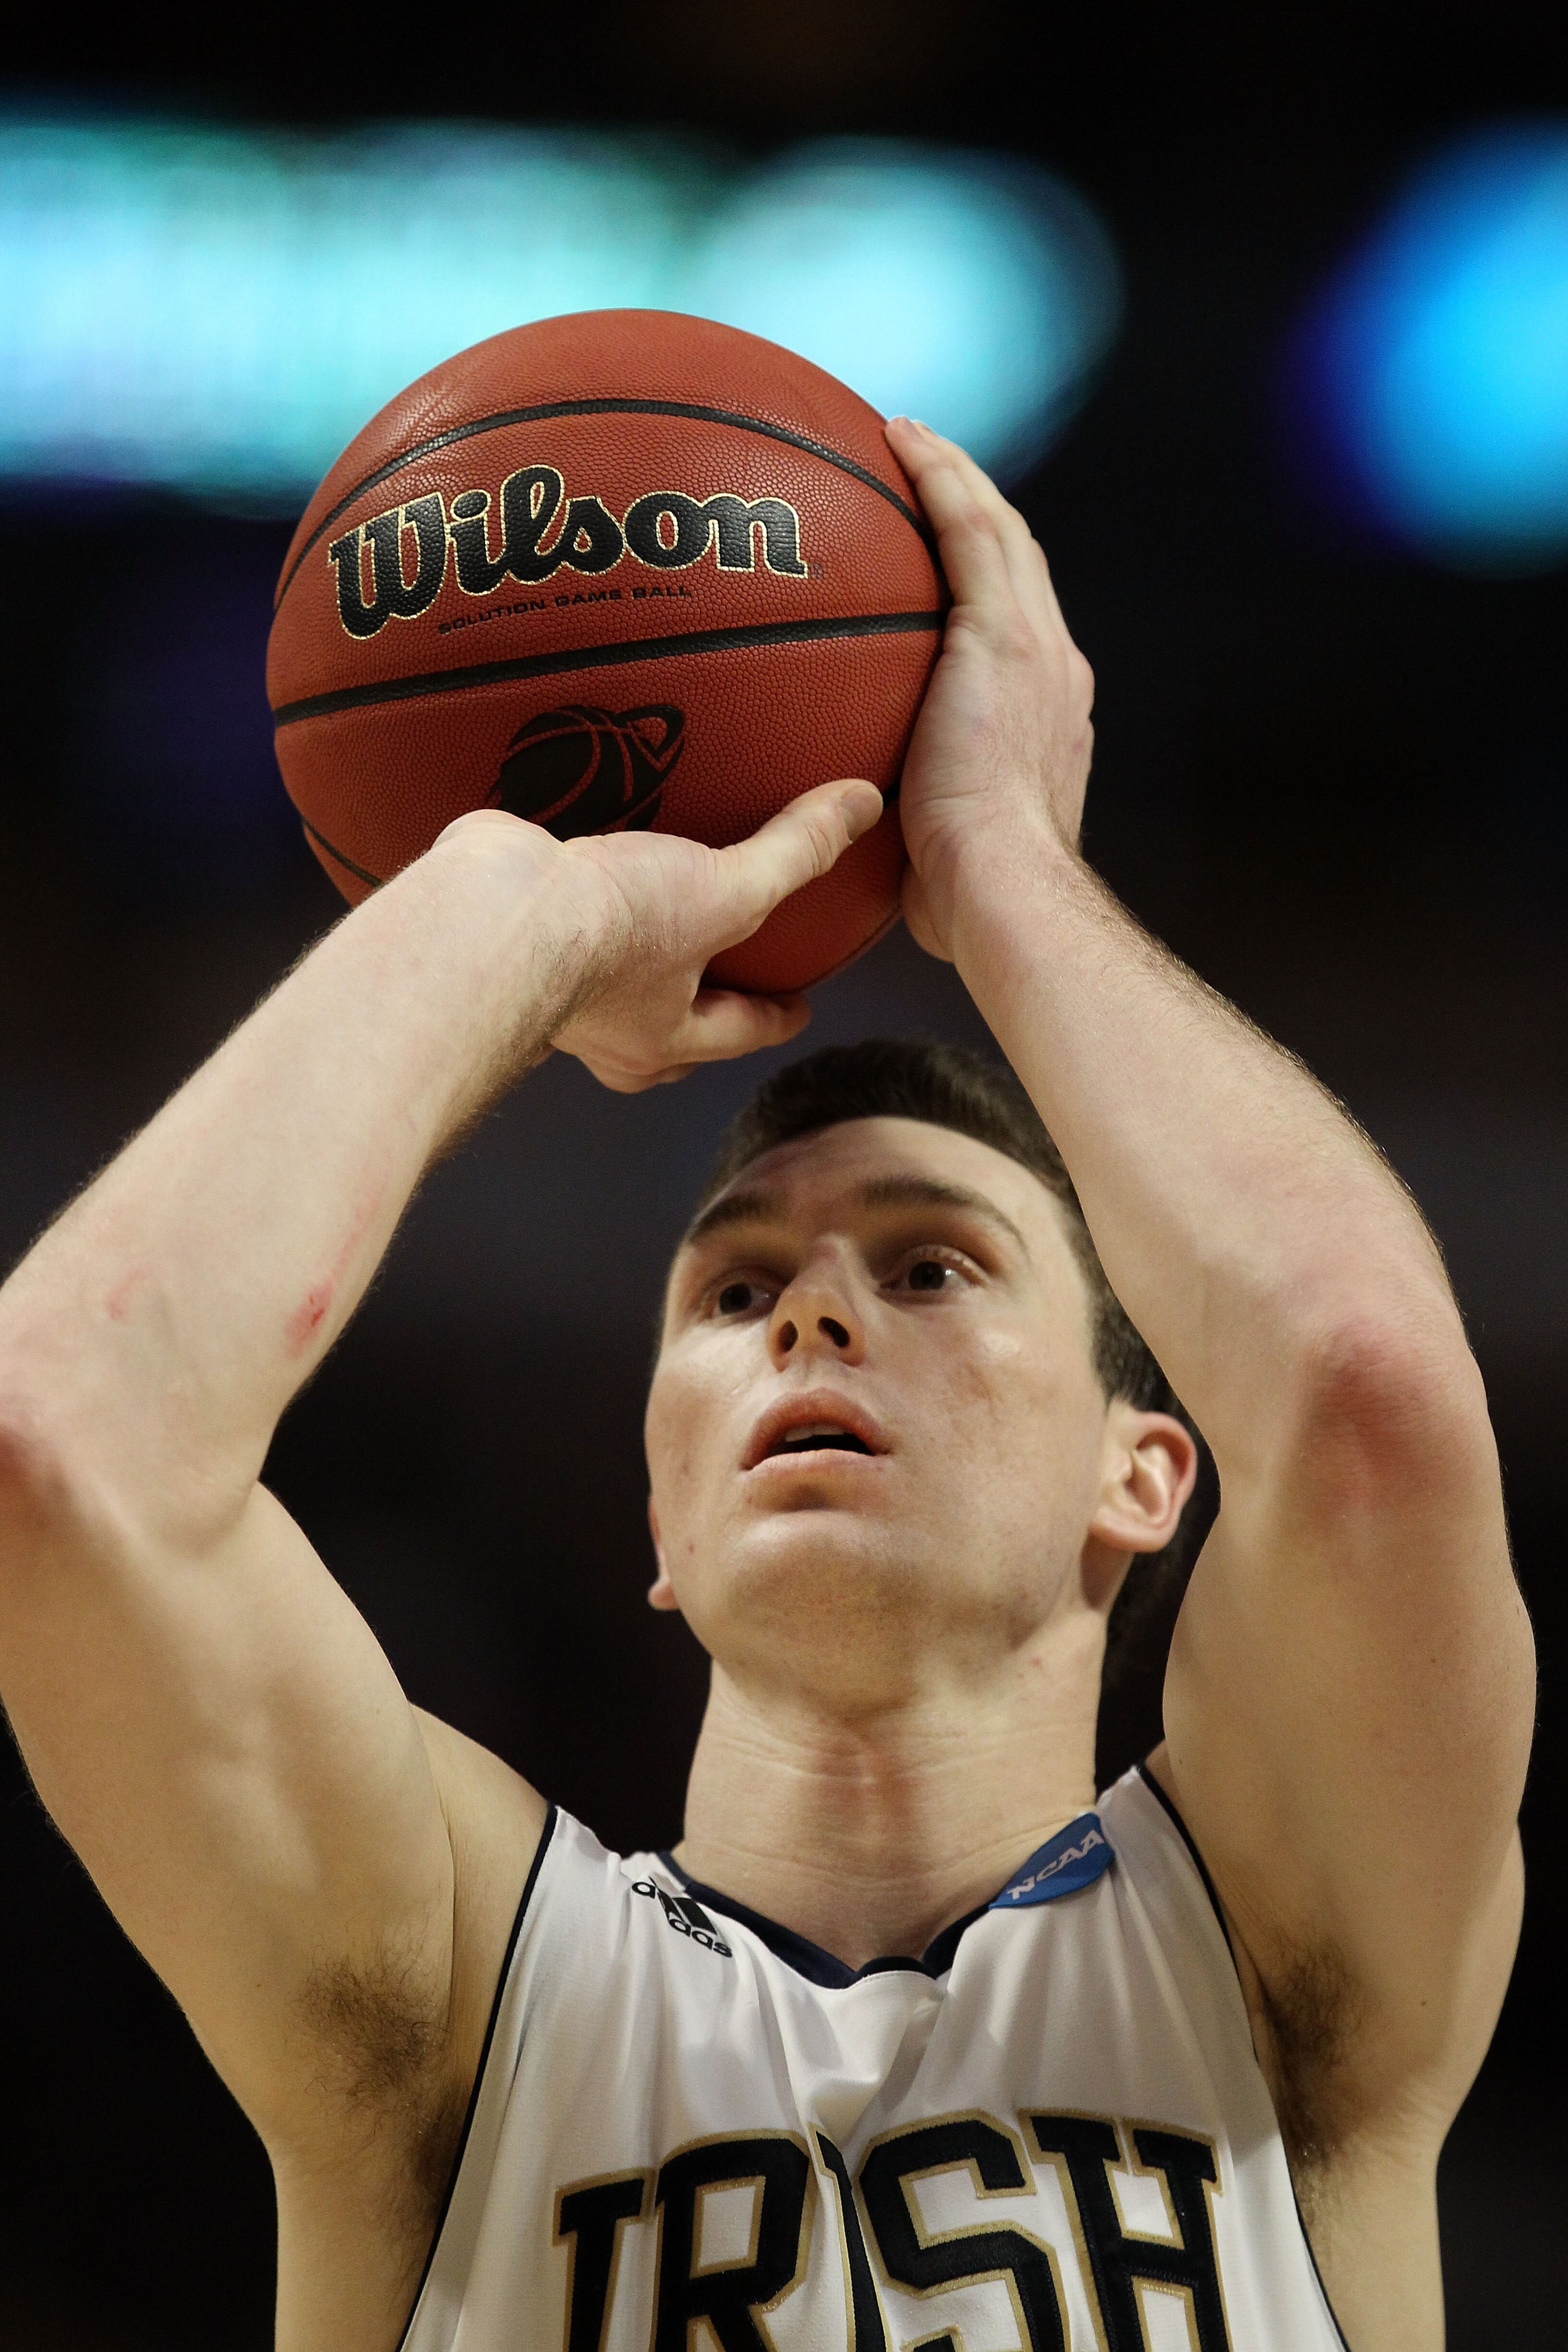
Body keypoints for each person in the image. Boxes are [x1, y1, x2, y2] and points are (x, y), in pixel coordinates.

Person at [0, 419, 1531, 2352]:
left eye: (932, 1265)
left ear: (1146, 1473)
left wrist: (1004, 871)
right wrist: (513, 909)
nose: (811, 1314)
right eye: (733, 1293)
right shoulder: (466, 1992)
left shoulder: (1279, 1956)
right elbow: (66, 1443)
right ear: (660, 1507)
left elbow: (1369, 1390)